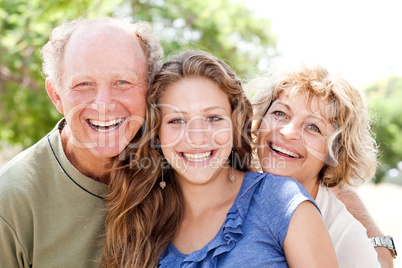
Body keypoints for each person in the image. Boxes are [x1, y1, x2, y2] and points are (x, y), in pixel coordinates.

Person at [103, 50, 338, 267]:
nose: (197, 138)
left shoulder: (282, 202)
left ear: (235, 124)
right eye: (177, 120)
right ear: (157, 134)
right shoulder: (139, 216)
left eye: (213, 118)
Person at [0, 17, 163, 267]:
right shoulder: (12, 200)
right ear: (56, 95)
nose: (104, 104)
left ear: (150, 89)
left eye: (123, 82)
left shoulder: (177, 168)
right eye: (83, 84)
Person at [250, 63, 384, 267]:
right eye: (280, 114)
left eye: (313, 127)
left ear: (335, 152)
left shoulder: (346, 239)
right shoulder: (234, 196)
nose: (287, 132)